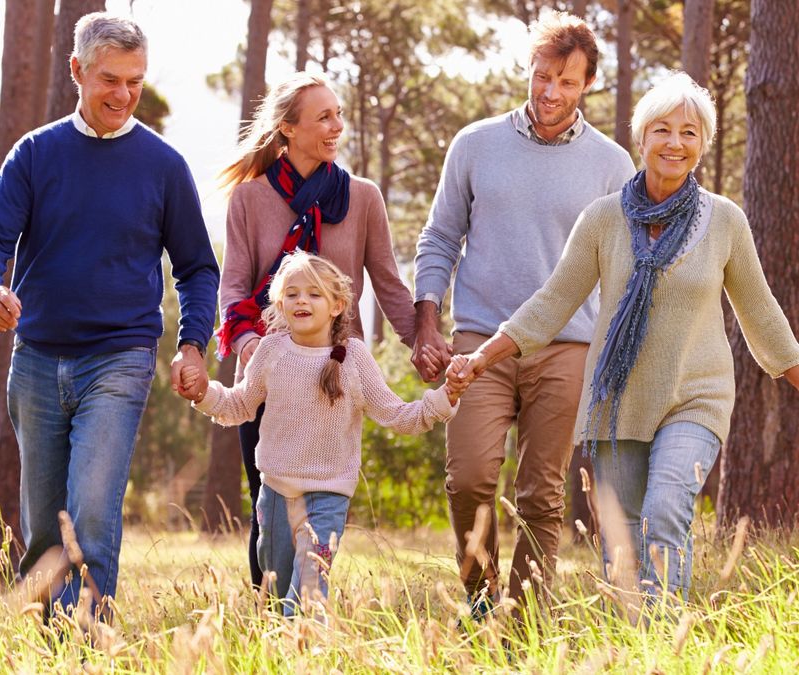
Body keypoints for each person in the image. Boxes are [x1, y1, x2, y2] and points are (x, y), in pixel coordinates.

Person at [449, 73, 799, 602]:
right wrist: (483, 355)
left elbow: (760, 310)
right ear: (642, 137)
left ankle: (661, 642)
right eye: (662, 130)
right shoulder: (603, 219)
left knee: (665, 510)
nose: (675, 143)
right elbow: (553, 302)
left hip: (696, 397)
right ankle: (636, 645)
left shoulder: (724, 221)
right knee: (623, 539)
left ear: (703, 144)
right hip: (619, 401)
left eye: (689, 133)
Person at [0, 13, 219, 616]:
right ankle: (51, 640)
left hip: (120, 357)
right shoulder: (35, 154)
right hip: (37, 361)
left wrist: (191, 344)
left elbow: (197, 268)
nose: (124, 95)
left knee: (94, 511)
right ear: (77, 71)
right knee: (46, 524)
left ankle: (88, 642)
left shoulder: (163, 166)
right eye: (110, 79)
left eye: (135, 82)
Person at [411, 11, 636, 612]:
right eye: (541, 77)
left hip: (567, 345)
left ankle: (527, 618)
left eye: (566, 82)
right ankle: (481, 601)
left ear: (587, 83)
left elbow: (623, 267)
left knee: (541, 493)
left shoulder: (612, 165)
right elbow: (439, 238)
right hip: (479, 340)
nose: (550, 93)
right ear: (528, 72)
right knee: (470, 478)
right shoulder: (475, 144)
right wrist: (426, 321)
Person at [215, 72, 418, 589]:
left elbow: (390, 283)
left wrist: (422, 342)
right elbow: (234, 288)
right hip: (270, 372)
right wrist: (254, 349)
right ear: (288, 128)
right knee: (268, 503)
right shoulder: (249, 199)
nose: (337, 126)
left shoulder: (363, 198)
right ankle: (268, 618)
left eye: (339, 114)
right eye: (324, 116)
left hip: (336, 373)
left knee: (324, 504)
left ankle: (308, 608)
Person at [180, 252, 461, 615]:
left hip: (327, 496)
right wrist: (203, 393)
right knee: (277, 592)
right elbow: (239, 405)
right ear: (280, 303)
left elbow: (398, 416)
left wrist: (445, 397)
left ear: (337, 305)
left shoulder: (353, 358)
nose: (302, 301)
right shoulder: (271, 351)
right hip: (276, 495)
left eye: (314, 294)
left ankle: (306, 653)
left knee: (309, 591)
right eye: (292, 294)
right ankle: (281, 654)